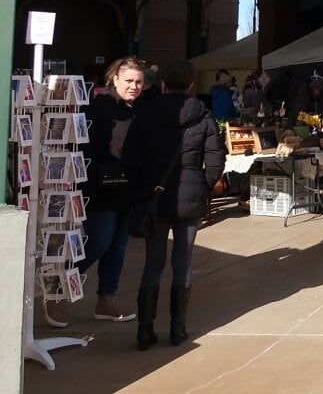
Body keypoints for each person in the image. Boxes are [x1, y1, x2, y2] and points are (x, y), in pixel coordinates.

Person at [122, 61, 225, 350]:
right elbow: (216, 161)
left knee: (153, 262)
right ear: (192, 86)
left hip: (154, 197)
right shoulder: (203, 117)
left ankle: (144, 330)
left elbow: (130, 159)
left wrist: (143, 188)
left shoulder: (144, 115)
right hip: (189, 198)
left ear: (163, 85)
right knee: (183, 261)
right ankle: (178, 329)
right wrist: (202, 186)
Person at [46, 57, 145, 327]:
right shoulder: (98, 107)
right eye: (129, 81)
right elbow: (85, 148)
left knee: (117, 247)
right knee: (97, 242)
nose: (134, 86)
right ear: (114, 79)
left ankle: (106, 299)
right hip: (100, 189)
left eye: (138, 82)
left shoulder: (139, 109)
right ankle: (59, 291)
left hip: (129, 190)